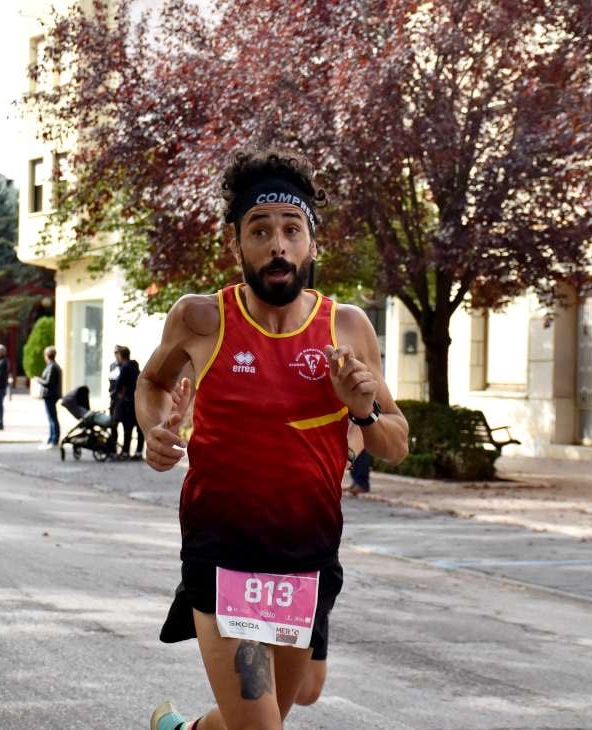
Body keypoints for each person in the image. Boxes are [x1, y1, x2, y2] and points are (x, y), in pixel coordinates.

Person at [140, 148, 409, 730]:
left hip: (305, 560)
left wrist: (361, 413)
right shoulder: (200, 319)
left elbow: (396, 442)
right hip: (223, 555)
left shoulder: (347, 328)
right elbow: (152, 383)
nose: (277, 245)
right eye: (260, 231)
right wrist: (157, 430)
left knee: (294, 699)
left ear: (311, 241)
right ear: (237, 243)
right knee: (261, 727)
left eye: (291, 230)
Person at [112, 345, 141, 460]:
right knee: (138, 428)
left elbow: (119, 385)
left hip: (127, 402)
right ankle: (138, 452)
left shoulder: (125, 367)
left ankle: (125, 451)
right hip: (136, 401)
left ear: (121, 355)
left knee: (127, 428)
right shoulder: (135, 366)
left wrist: (115, 394)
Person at [37, 346, 63, 449]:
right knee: (51, 417)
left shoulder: (52, 367)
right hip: (49, 395)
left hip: (50, 395)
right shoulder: (51, 366)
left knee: (52, 417)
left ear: (47, 356)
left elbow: (48, 382)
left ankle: (54, 439)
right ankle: (51, 438)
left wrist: (38, 380)